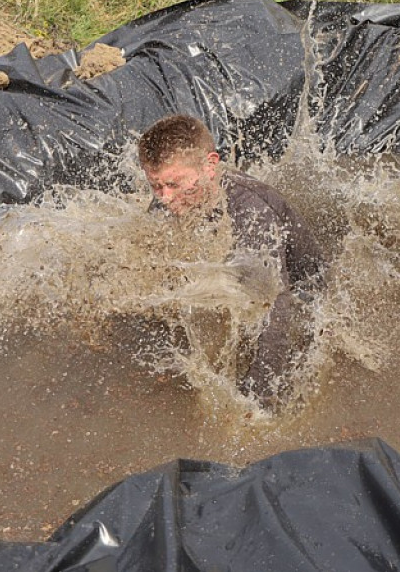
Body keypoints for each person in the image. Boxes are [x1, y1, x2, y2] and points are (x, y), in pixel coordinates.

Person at [138, 114, 325, 408]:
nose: (164, 198)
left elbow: (276, 306)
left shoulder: (252, 211)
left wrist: (258, 396)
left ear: (210, 165)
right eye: (156, 186)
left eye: (173, 184)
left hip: (304, 294)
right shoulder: (172, 198)